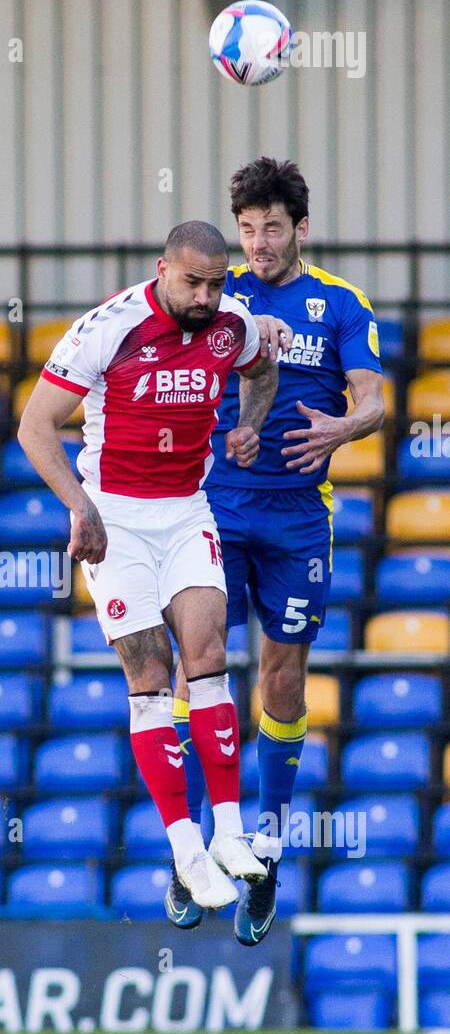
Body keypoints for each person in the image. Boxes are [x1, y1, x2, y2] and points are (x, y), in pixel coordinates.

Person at [18, 221, 280, 911]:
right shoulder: (111, 327)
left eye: (216, 283)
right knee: (151, 674)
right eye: (192, 282)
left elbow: (260, 367)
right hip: (116, 518)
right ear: (162, 269)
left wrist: (249, 423)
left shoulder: (233, 324)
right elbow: (35, 425)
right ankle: (186, 850)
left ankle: (228, 833)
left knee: (211, 654)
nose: (204, 296)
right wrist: (80, 509)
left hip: (187, 509)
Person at [172, 158, 384, 944]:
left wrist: (341, 427)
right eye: (248, 228)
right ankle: (194, 845)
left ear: (301, 229)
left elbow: (373, 400)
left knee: (280, 675)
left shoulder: (339, 305)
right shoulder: (213, 298)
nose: (257, 243)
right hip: (214, 511)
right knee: (202, 666)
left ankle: (265, 845)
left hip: (298, 519)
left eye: (272, 228)